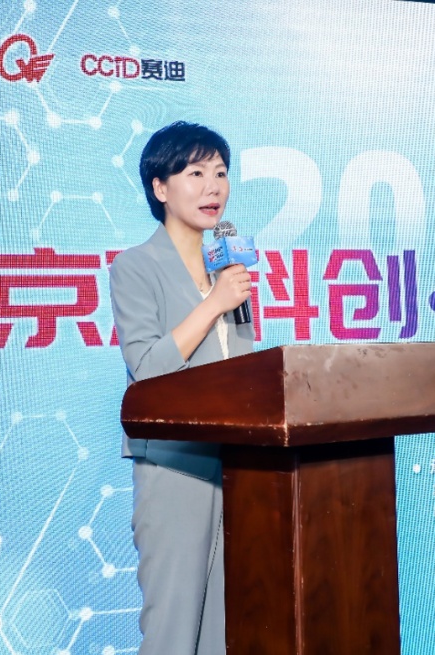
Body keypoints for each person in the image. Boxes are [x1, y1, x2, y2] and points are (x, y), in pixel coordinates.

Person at [109, 121, 254, 655]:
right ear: (160, 187)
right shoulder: (136, 266)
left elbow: (242, 368)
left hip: (239, 466)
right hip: (174, 467)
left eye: (221, 172)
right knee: (173, 629)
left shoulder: (227, 268)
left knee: (225, 631)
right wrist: (213, 304)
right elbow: (147, 369)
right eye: (196, 173)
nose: (213, 186)